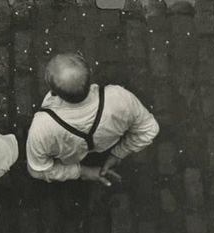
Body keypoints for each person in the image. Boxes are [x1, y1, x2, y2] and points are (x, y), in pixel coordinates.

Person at [26, 53, 159, 185]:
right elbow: (149, 129)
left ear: (53, 92)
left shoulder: (41, 126)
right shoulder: (119, 97)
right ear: (90, 78)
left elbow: (37, 170)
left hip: (69, 160)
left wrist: (84, 172)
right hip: (106, 148)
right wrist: (118, 154)